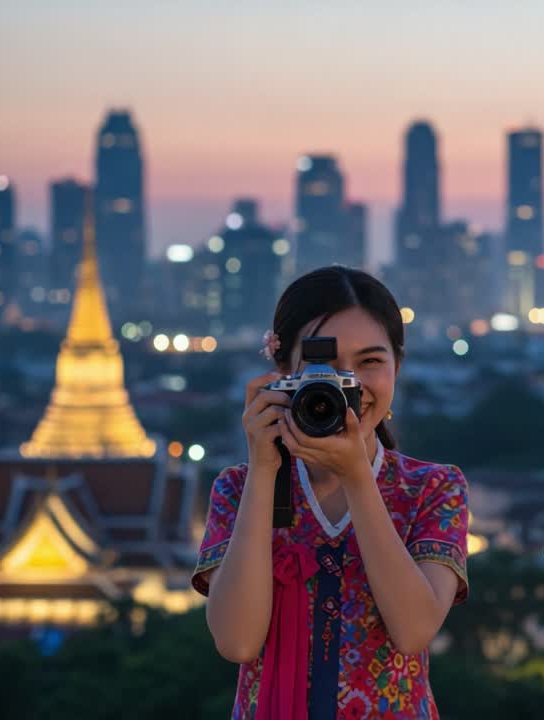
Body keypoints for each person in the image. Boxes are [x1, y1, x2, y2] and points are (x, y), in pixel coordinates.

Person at [191, 265, 470, 719]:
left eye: (370, 362)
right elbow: (237, 641)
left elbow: (415, 629)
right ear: (283, 374)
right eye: (325, 368)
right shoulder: (239, 489)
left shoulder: (433, 488)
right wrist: (265, 469)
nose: (348, 386)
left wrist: (358, 477)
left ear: (397, 367)